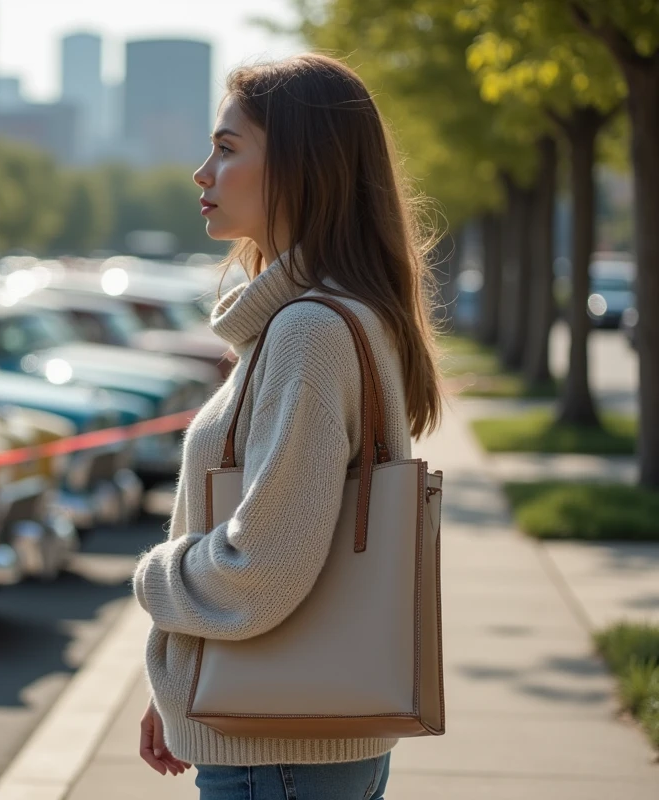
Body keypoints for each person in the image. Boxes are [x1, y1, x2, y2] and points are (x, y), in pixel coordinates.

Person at [133, 53, 444, 799]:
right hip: (293, 740)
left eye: (228, 148)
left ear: (301, 167)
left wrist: (151, 579)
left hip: (278, 758)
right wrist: (179, 680)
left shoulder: (309, 331)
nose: (202, 172)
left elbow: (263, 566)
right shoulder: (318, 319)